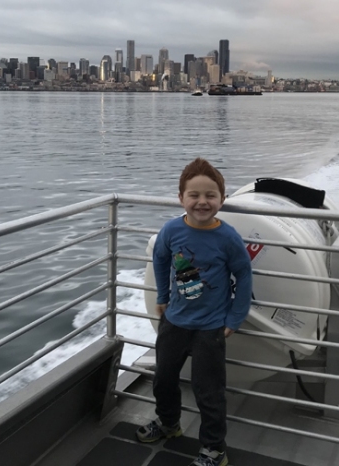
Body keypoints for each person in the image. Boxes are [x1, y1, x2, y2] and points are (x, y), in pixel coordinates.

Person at [136, 158, 253, 466]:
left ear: (222, 200)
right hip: (174, 320)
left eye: (210, 195)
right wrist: (162, 295)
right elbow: (160, 260)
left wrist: (235, 317)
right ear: (181, 198)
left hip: (211, 327)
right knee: (163, 378)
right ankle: (168, 424)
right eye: (194, 195)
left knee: (208, 392)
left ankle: (215, 448)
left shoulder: (228, 238)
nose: (202, 202)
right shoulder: (171, 230)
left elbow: (243, 275)